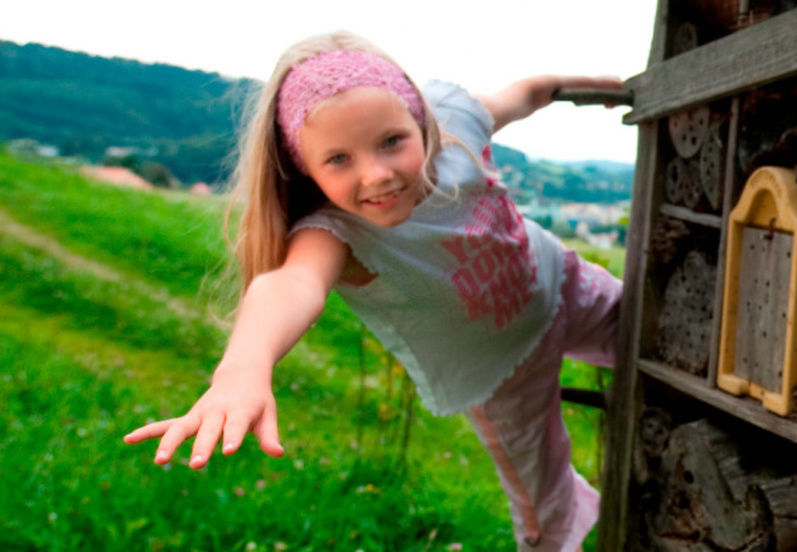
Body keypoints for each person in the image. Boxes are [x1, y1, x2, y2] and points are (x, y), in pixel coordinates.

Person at [124, 31, 628, 552]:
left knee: (659, 335)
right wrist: (243, 370)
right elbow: (291, 283)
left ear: (419, 118)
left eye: (392, 141)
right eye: (338, 160)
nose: (377, 174)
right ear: (305, 168)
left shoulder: (454, 123)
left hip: (563, 284)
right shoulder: (335, 234)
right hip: (499, 372)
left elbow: (530, 91)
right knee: (544, 511)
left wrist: (612, 90)